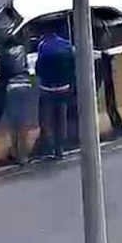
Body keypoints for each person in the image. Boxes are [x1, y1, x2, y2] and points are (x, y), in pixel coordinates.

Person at [35, 30, 75, 160]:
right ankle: (60, 149)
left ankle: (49, 148)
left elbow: (38, 67)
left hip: (47, 88)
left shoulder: (43, 46)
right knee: (61, 119)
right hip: (63, 87)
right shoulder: (67, 45)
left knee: (47, 120)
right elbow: (72, 66)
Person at [0, 26, 30, 164]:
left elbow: (1, 75)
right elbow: (26, 69)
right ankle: (25, 155)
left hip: (12, 89)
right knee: (24, 124)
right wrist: (31, 83)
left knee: (14, 123)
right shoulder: (22, 49)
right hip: (25, 86)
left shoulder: (1, 53)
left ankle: (15, 152)